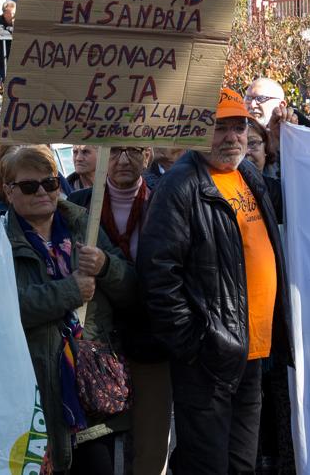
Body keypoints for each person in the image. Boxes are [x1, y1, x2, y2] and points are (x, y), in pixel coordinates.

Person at [136, 89, 289, 475]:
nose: (231, 137)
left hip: (253, 354)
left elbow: (296, 203)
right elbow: (158, 276)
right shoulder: (179, 187)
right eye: (218, 128)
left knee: (241, 465)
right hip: (208, 360)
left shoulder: (248, 174)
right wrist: (195, 344)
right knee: (207, 467)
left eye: (238, 127)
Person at [0, 146, 137, 473]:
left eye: (50, 183)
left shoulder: (83, 227)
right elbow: (4, 311)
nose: (43, 192)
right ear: (9, 191)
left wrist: (106, 267)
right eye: (30, 187)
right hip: (34, 394)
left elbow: (132, 291)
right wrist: (69, 291)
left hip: (91, 390)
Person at [68, 146, 173, 475]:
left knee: (150, 444)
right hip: (96, 342)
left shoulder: (167, 198)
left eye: (134, 151)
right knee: (95, 444)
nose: (123, 160)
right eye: (114, 151)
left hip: (151, 338)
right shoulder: (79, 204)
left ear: (148, 155)